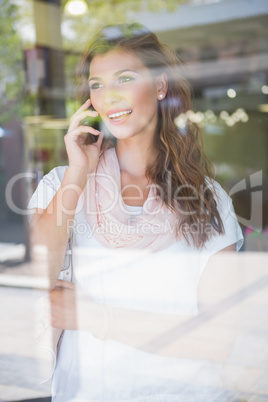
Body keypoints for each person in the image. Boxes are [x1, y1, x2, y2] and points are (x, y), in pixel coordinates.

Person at [28, 23, 244, 401]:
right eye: (97, 84)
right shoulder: (62, 184)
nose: (108, 96)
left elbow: (218, 338)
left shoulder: (209, 200)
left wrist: (97, 318)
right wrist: (79, 173)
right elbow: (34, 277)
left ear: (160, 87)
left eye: (124, 78)